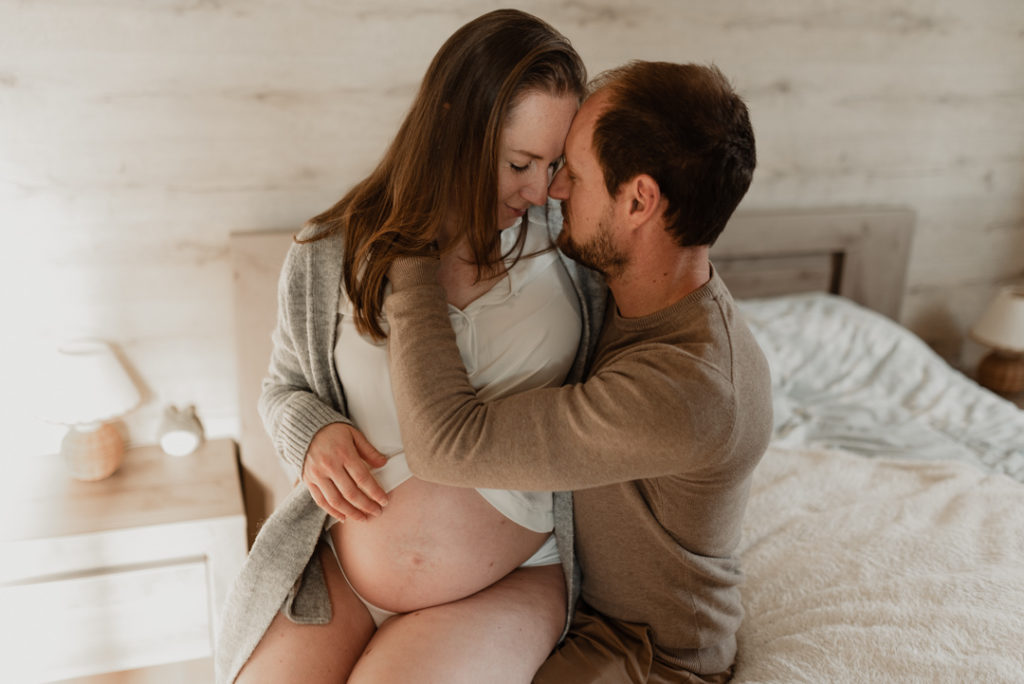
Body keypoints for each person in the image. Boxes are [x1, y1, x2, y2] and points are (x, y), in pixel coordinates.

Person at [215, 10, 608, 684]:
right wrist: (312, 434)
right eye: (520, 162)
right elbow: (282, 388)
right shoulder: (331, 251)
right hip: (339, 569)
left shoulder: (576, 261)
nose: (540, 191)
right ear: (457, 125)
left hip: (507, 579)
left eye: (554, 165)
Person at [375, 62, 773, 683]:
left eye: (574, 173)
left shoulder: (688, 391)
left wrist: (406, 248)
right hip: (571, 603)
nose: (553, 192)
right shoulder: (626, 286)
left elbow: (446, 443)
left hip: (647, 656)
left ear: (638, 201)